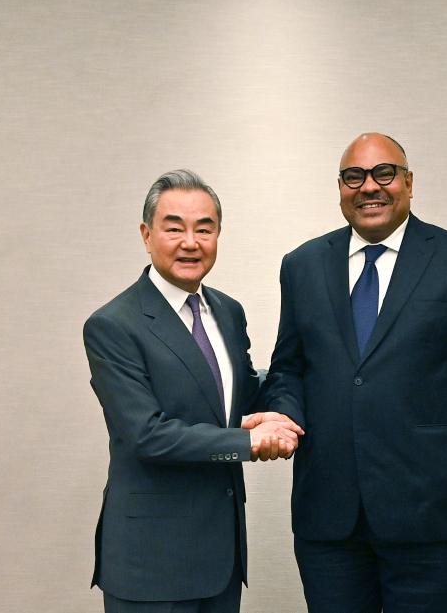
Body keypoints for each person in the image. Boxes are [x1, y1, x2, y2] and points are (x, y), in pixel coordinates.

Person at [248, 133, 447, 612]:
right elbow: (290, 368)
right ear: (340, 188)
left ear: (409, 183)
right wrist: (283, 417)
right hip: (329, 515)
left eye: (384, 173)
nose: (369, 187)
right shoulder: (302, 266)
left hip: (432, 514)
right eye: (354, 177)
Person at [83, 169, 303, 613]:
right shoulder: (113, 325)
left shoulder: (227, 311)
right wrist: (248, 441)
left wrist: (284, 405)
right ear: (147, 235)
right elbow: (146, 435)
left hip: (220, 558)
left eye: (204, 229)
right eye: (174, 228)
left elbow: (241, 393)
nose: (191, 242)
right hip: (151, 564)